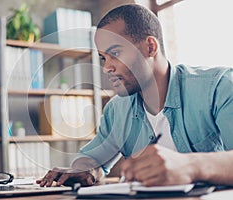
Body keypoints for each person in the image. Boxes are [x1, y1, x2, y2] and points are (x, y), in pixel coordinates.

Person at [37, 4, 233, 187]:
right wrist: (85, 170)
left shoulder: (218, 87)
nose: (106, 68)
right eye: (103, 58)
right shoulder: (117, 109)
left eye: (116, 53)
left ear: (150, 47)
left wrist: (190, 166)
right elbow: (93, 160)